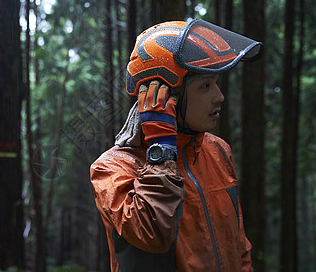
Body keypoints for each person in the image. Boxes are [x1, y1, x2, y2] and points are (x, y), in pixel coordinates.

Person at [90, 19, 263, 271]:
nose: (219, 97)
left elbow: (239, 247)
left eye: (216, 84)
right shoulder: (112, 168)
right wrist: (160, 154)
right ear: (166, 95)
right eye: (205, 86)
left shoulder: (218, 150)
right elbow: (152, 234)